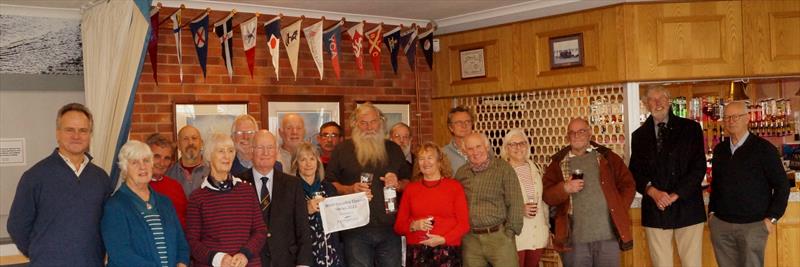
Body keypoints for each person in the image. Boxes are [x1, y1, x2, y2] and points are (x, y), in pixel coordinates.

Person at [7, 103, 113, 266]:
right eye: (69, 129)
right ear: (58, 133)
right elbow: (17, 226)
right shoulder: (35, 176)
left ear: (90, 134)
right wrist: (42, 252)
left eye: (83, 130)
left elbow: (108, 225)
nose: (76, 136)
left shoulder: (101, 178)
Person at [326, 102, 411, 267]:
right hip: (354, 230)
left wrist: (398, 184)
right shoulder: (342, 150)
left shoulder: (394, 149)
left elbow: (408, 183)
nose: (369, 127)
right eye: (363, 123)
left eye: (373, 121)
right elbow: (329, 185)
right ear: (355, 124)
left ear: (381, 122)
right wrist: (350, 189)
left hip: (391, 229)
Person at [629, 86, 707, 267]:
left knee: (692, 263)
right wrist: (653, 191)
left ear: (669, 100)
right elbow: (635, 172)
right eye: (652, 100)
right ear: (645, 104)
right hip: (656, 209)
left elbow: (698, 168)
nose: (657, 103)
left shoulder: (691, 128)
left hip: (687, 206)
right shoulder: (639, 136)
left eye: (661, 98)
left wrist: (675, 195)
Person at [542, 118, 636, 267]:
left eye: (581, 131)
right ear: (567, 136)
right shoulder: (558, 163)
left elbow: (628, 185)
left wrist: (618, 208)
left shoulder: (607, 157)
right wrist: (564, 188)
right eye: (572, 132)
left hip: (608, 237)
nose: (576, 135)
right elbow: (547, 195)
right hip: (574, 240)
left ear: (590, 133)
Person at [709, 101, 790, 267]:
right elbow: (716, 185)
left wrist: (771, 219)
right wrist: (711, 213)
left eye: (735, 116)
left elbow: (782, 185)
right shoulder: (720, 150)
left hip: (753, 226)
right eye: (727, 117)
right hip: (721, 226)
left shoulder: (764, 149)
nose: (731, 121)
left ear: (747, 119)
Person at [101, 140, 189, 267]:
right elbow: (121, 254)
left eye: (146, 161)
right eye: (135, 162)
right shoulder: (114, 206)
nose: (142, 167)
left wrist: (182, 263)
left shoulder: (165, 202)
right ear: (125, 169)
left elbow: (181, 242)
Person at [186, 133, 266, 267]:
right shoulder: (197, 197)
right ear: (209, 156)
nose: (227, 156)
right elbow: (192, 241)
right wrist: (218, 259)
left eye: (230, 151)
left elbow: (260, 231)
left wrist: (245, 253)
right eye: (221, 151)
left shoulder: (247, 191)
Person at [237, 130, 313, 267]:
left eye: (270, 148)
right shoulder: (238, 183)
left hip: (287, 261)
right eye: (260, 148)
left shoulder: (293, 184)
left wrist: (303, 264)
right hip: (250, 261)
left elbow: (303, 229)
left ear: (276, 151)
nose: (265, 153)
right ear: (251, 151)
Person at [394, 142, 469, 266]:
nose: (425, 162)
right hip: (417, 252)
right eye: (421, 159)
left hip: (447, 250)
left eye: (430, 158)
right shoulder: (411, 189)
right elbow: (398, 226)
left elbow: (464, 224)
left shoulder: (454, 187)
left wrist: (444, 239)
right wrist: (414, 225)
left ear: (439, 161)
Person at [455, 132, 524, 267]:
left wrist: (509, 233)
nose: (475, 152)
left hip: (499, 237)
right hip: (471, 240)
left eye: (478, 146)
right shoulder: (461, 173)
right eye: (470, 148)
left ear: (487, 147)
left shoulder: (503, 169)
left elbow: (515, 202)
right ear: (464, 151)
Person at [500, 129, 550, 267]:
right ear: (506, 148)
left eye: (522, 143)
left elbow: (542, 202)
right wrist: (519, 209)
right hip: (514, 235)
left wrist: (547, 228)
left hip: (536, 232)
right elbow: (495, 203)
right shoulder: (501, 170)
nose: (518, 147)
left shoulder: (535, 167)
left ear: (527, 146)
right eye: (513, 144)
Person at [291, 142, 345, 267]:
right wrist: (305, 210)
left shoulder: (329, 188)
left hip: (330, 253)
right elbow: (285, 224)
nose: (308, 163)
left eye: (312, 158)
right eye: (303, 159)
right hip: (303, 257)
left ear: (318, 162)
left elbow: (339, 220)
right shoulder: (290, 189)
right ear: (296, 164)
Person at [145, 133, 188, 228]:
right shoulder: (138, 187)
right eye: (157, 157)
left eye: (167, 158)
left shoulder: (176, 186)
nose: (162, 163)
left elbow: (186, 220)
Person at [166, 125, 209, 196]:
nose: (190, 143)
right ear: (179, 145)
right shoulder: (168, 175)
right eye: (185, 139)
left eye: (194, 138)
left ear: (201, 143)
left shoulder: (213, 171)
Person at [444, 106, 473, 174]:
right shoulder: (443, 153)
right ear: (451, 127)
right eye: (459, 122)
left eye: (467, 121)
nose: (464, 126)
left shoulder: (483, 149)